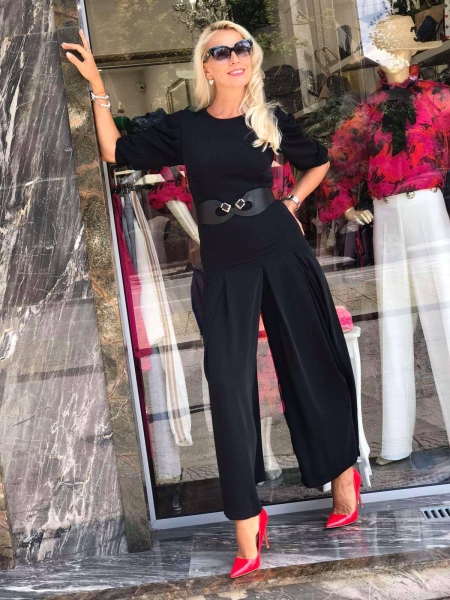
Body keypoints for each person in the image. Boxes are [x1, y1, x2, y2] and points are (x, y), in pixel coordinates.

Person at [62, 20, 363, 579]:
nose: (235, 58)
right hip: (224, 263)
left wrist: (292, 202)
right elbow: (113, 150)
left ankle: (344, 477)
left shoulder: (269, 118)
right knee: (227, 383)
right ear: (205, 65)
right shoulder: (186, 127)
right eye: (221, 51)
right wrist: (99, 85)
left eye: (243, 48)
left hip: (279, 247)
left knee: (309, 359)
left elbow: (318, 159)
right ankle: (248, 519)